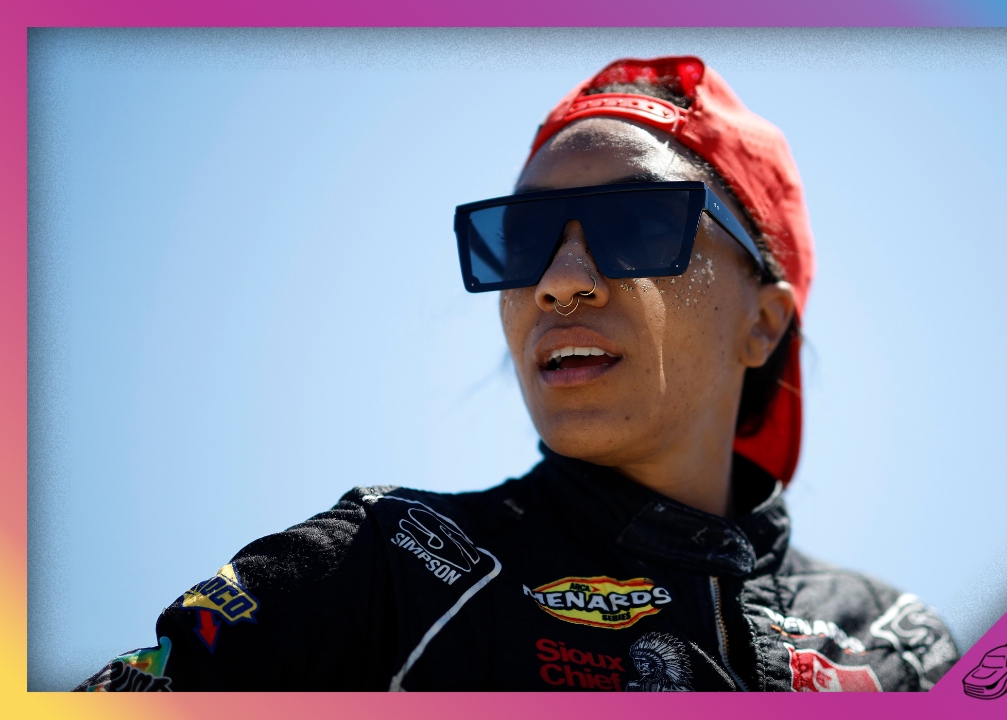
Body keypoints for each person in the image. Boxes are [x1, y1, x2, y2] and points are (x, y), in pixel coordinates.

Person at [76, 55, 958, 692]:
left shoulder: (902, 646)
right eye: (523, 240)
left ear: (763, 323)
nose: (558, 282)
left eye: (634, 224)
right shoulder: (393, 565)